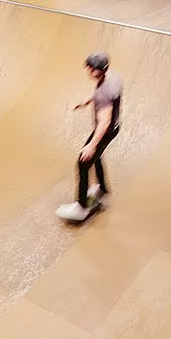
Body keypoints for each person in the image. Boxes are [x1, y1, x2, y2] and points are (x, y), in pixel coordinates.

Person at [56, 52, 123, 221]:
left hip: (106, 130)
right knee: (96, 157)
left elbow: (105, 121)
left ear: (94, 70)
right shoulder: (112, 77)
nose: (87, 70)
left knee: (83, 162)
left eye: (89, 68)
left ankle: (81, 207)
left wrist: (92, 145)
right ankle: (102, 190)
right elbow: (103, 94)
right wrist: (88, 101)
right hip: (114, 127)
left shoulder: (104, 92)